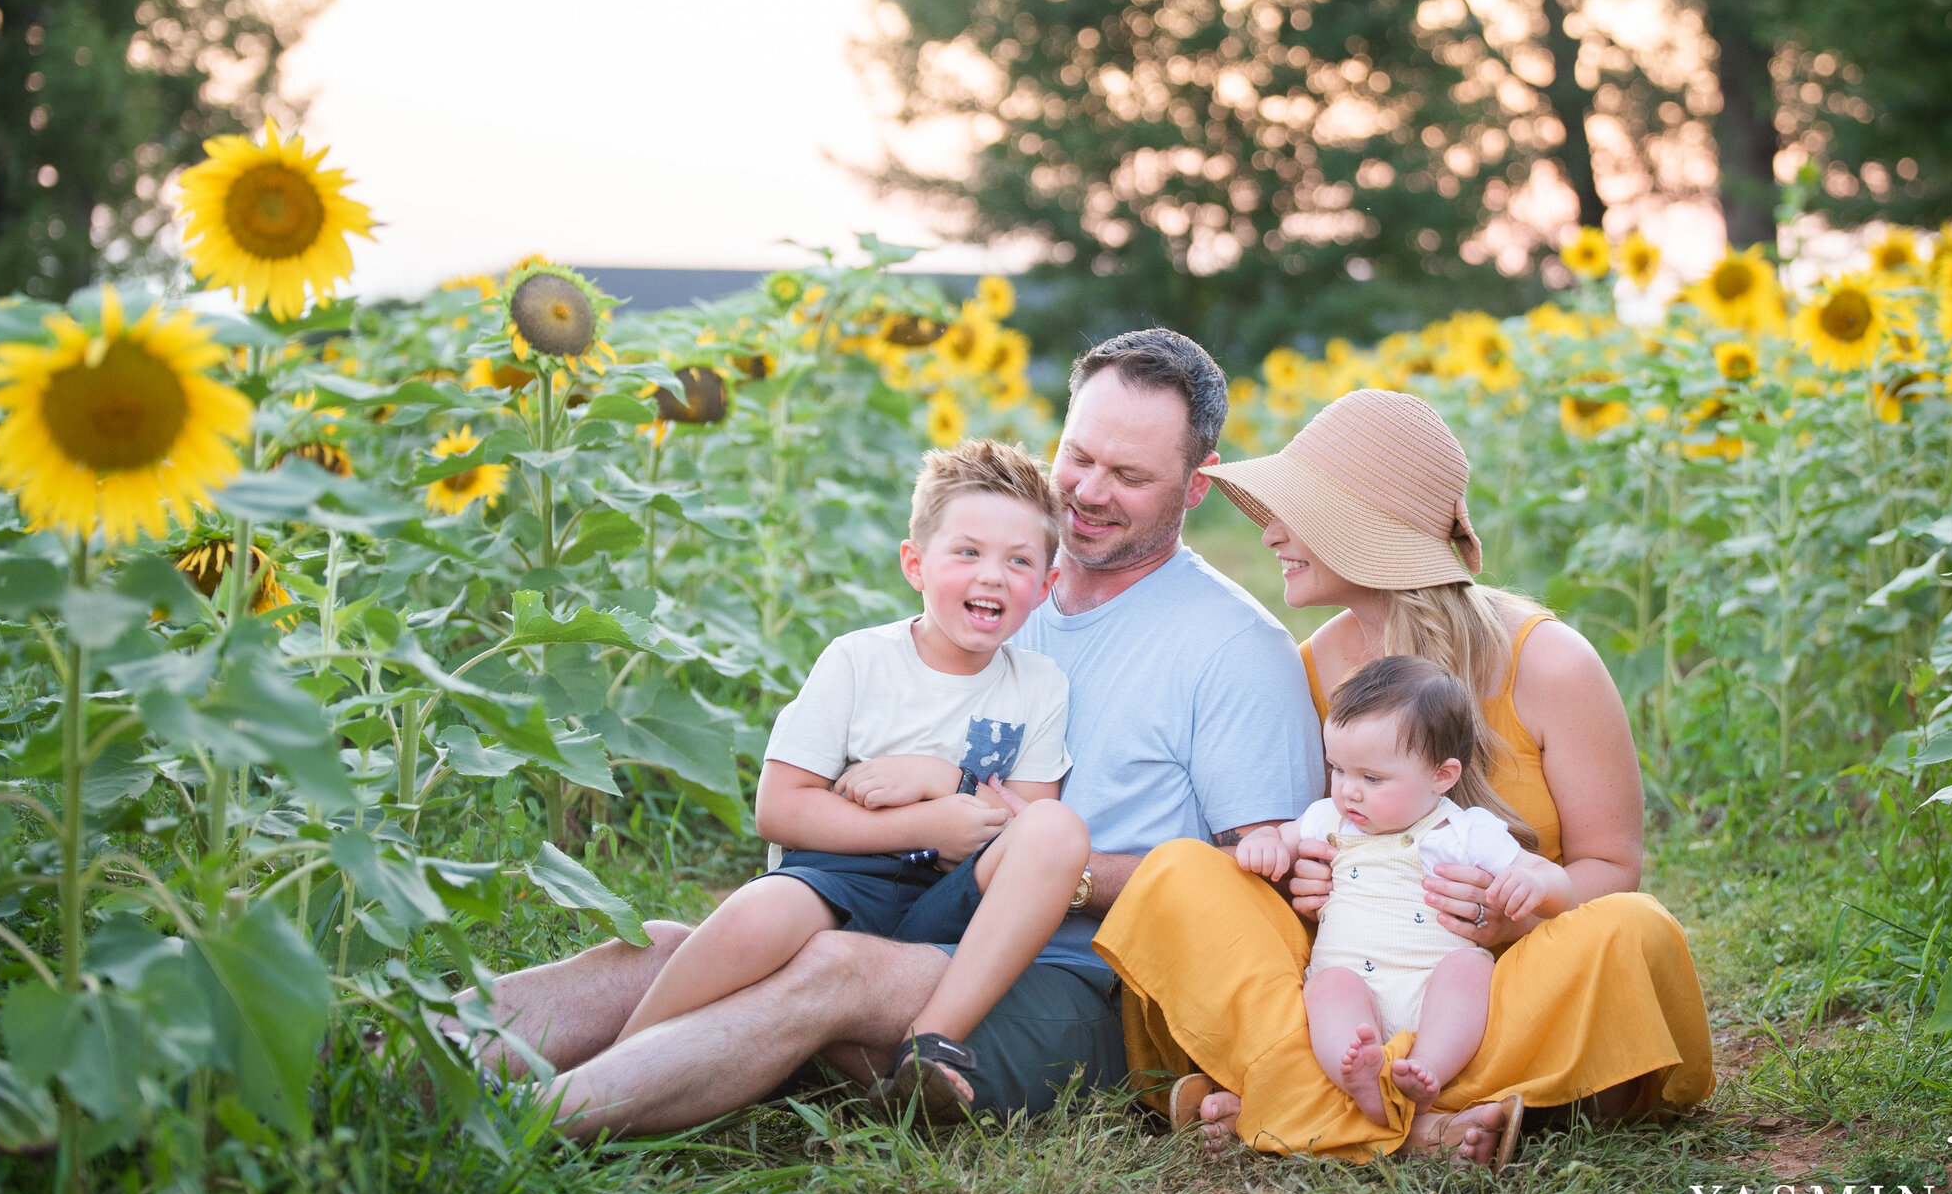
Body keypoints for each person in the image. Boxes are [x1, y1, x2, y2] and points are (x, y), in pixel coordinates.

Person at [452, 327, 1320, 1138]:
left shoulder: (1237, 650)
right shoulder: (1009, 586)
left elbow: (1262, 898)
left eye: (1128, 475)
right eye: (1077, 456)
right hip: (924, 902)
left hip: (1078, 987)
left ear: (1196, 484)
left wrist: (1062, 873)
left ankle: (516, 1133)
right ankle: (390, 1067)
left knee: (834, 968)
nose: (1089, 492)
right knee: (686, 946)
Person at [1092, 387, 1714, 1165]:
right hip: (1356, 983)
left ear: (1369, 533)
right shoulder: (1313, 666)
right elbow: (1323, 862)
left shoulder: (1549, 663)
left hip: (1491, 980)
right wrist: (1303, 883)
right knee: (1179, 875)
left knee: (1638, 929)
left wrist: (1512, 914)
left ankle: (1288, 1103)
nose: (1274, 533)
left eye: (1300, 513)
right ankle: (1426, 1128)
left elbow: (1612, 868)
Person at [598, 439, 1091, 1120]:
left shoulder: (1039, 685)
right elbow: (779, 808)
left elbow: (1030, 823)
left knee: (1060, 831)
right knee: (756, 913)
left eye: (1019, 561)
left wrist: (941, 779)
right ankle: (621, 1065)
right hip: (838, 877)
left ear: (1044, 585)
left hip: (951, 898)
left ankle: (931, 1042)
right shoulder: (858, 661)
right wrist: (925, 823)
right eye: (968, 553)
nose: (993, 576)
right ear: (915, 563)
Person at [1231, 655, 1553, 1140]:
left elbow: (1543, 874)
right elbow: (1283, 837)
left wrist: (1540, 884)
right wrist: (1265, 842)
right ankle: (1361, 1075)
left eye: (1372, 779)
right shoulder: (1327, 819)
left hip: (1432, 984)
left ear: (1442, 777)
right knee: (1327, 989)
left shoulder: (1465, 831)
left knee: (1469, 971)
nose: (1348, 793)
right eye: (1338, 770)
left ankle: (1423, 1072)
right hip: (1353, 980)